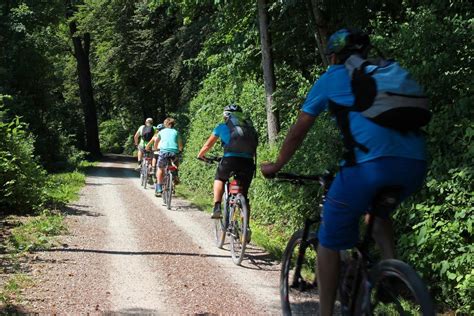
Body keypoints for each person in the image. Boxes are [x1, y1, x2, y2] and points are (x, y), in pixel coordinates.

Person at [260, 28, 427, 315]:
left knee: (329, 240)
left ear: (334, 56)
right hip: (414, 164)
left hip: (369, 167)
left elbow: (299, 131)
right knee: (377, 213)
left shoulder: (332, 78)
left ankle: (326, 312)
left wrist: (276, 166)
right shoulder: (385, 73)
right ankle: (391, 272)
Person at [197, 104, 258, 232]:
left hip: (230, 160)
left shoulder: (222, 127)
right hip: (248, 161)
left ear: (226, 116)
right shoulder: (249, 128)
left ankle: (217, 207)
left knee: (220, 177)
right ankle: (246, 227)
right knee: (244, 195)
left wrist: (201, 155)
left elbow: (208, 145)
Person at [153, 118, 183, 197]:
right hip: (174, 152)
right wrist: (180, 150)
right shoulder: (176, 132)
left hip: (163, 152)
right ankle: (175, 174)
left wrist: (155, 148)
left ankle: (159, 188)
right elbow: (180, 144)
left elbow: (156, 142)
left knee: (160, 168)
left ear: (165, 124)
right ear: (173, 124)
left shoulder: (161, 132)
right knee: (175, 162)